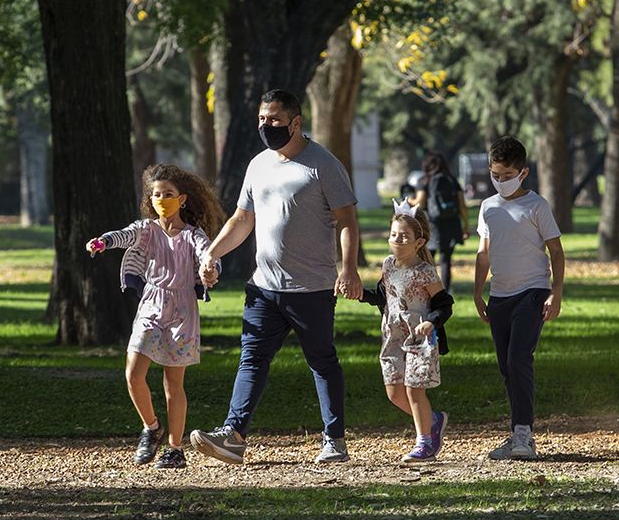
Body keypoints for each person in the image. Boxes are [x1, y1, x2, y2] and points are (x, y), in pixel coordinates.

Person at [189, 89, 362, 465]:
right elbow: (242, 219)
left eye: (274, 120)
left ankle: (334, 440)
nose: (266, 126)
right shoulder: (258, 165)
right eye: (262, 120)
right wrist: (211, 253)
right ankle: (233, 435)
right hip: (263, 287)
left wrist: (348, 268)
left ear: (295, 123)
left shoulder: (323, 165)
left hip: (311, 288)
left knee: (322, 361)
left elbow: (347, 220)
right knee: (251, 358)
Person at [85, 164, 226, 469]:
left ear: (182, 199)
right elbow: (124, 235)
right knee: (133, 373)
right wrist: (103, 242)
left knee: (173, 384)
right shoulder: (147, 230)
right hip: (151, 305)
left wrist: (209, 269)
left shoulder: (193, 235)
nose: (162, 199)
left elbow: (208, 255)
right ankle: (152, 427)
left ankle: (175, 448)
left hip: (182, 311)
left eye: (168, 194)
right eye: (157, 194)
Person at [473, 136, 565, 461]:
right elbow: (483, 253)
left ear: (523, 172)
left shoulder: (537, 206)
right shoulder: (488, 207)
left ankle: (524, 433)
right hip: (500, 296)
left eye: (507, 175)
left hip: (533, 292)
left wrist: (556, 292)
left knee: (518, 359)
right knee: (506, 367)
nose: (500, 181)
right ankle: (516, 435)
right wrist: (477, 292)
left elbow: (556, 251)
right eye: (495, 175)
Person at [358, 201, 455, 463]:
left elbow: (445, 304)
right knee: (394, 393)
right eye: (393, 234)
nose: (397, 240)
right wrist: (360, 294)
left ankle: (425, 443)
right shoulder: (388, 265)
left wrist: (431, 322)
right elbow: (384, 296)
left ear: (419, 242)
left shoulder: (425, 272)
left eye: (404, 236)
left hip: (419, 339)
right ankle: (433, 420)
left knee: (414, 390)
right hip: (393, 337)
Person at [409, 152, 470, 290]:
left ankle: (428, 290)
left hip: (432, 224)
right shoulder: (452, 180)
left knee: (427, 259)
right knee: (445, 260)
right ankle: (445, 291)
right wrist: (466, 226)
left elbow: (420, 202)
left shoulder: (424, 180)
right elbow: (462, 205)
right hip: (452, 223)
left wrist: (409, 199)